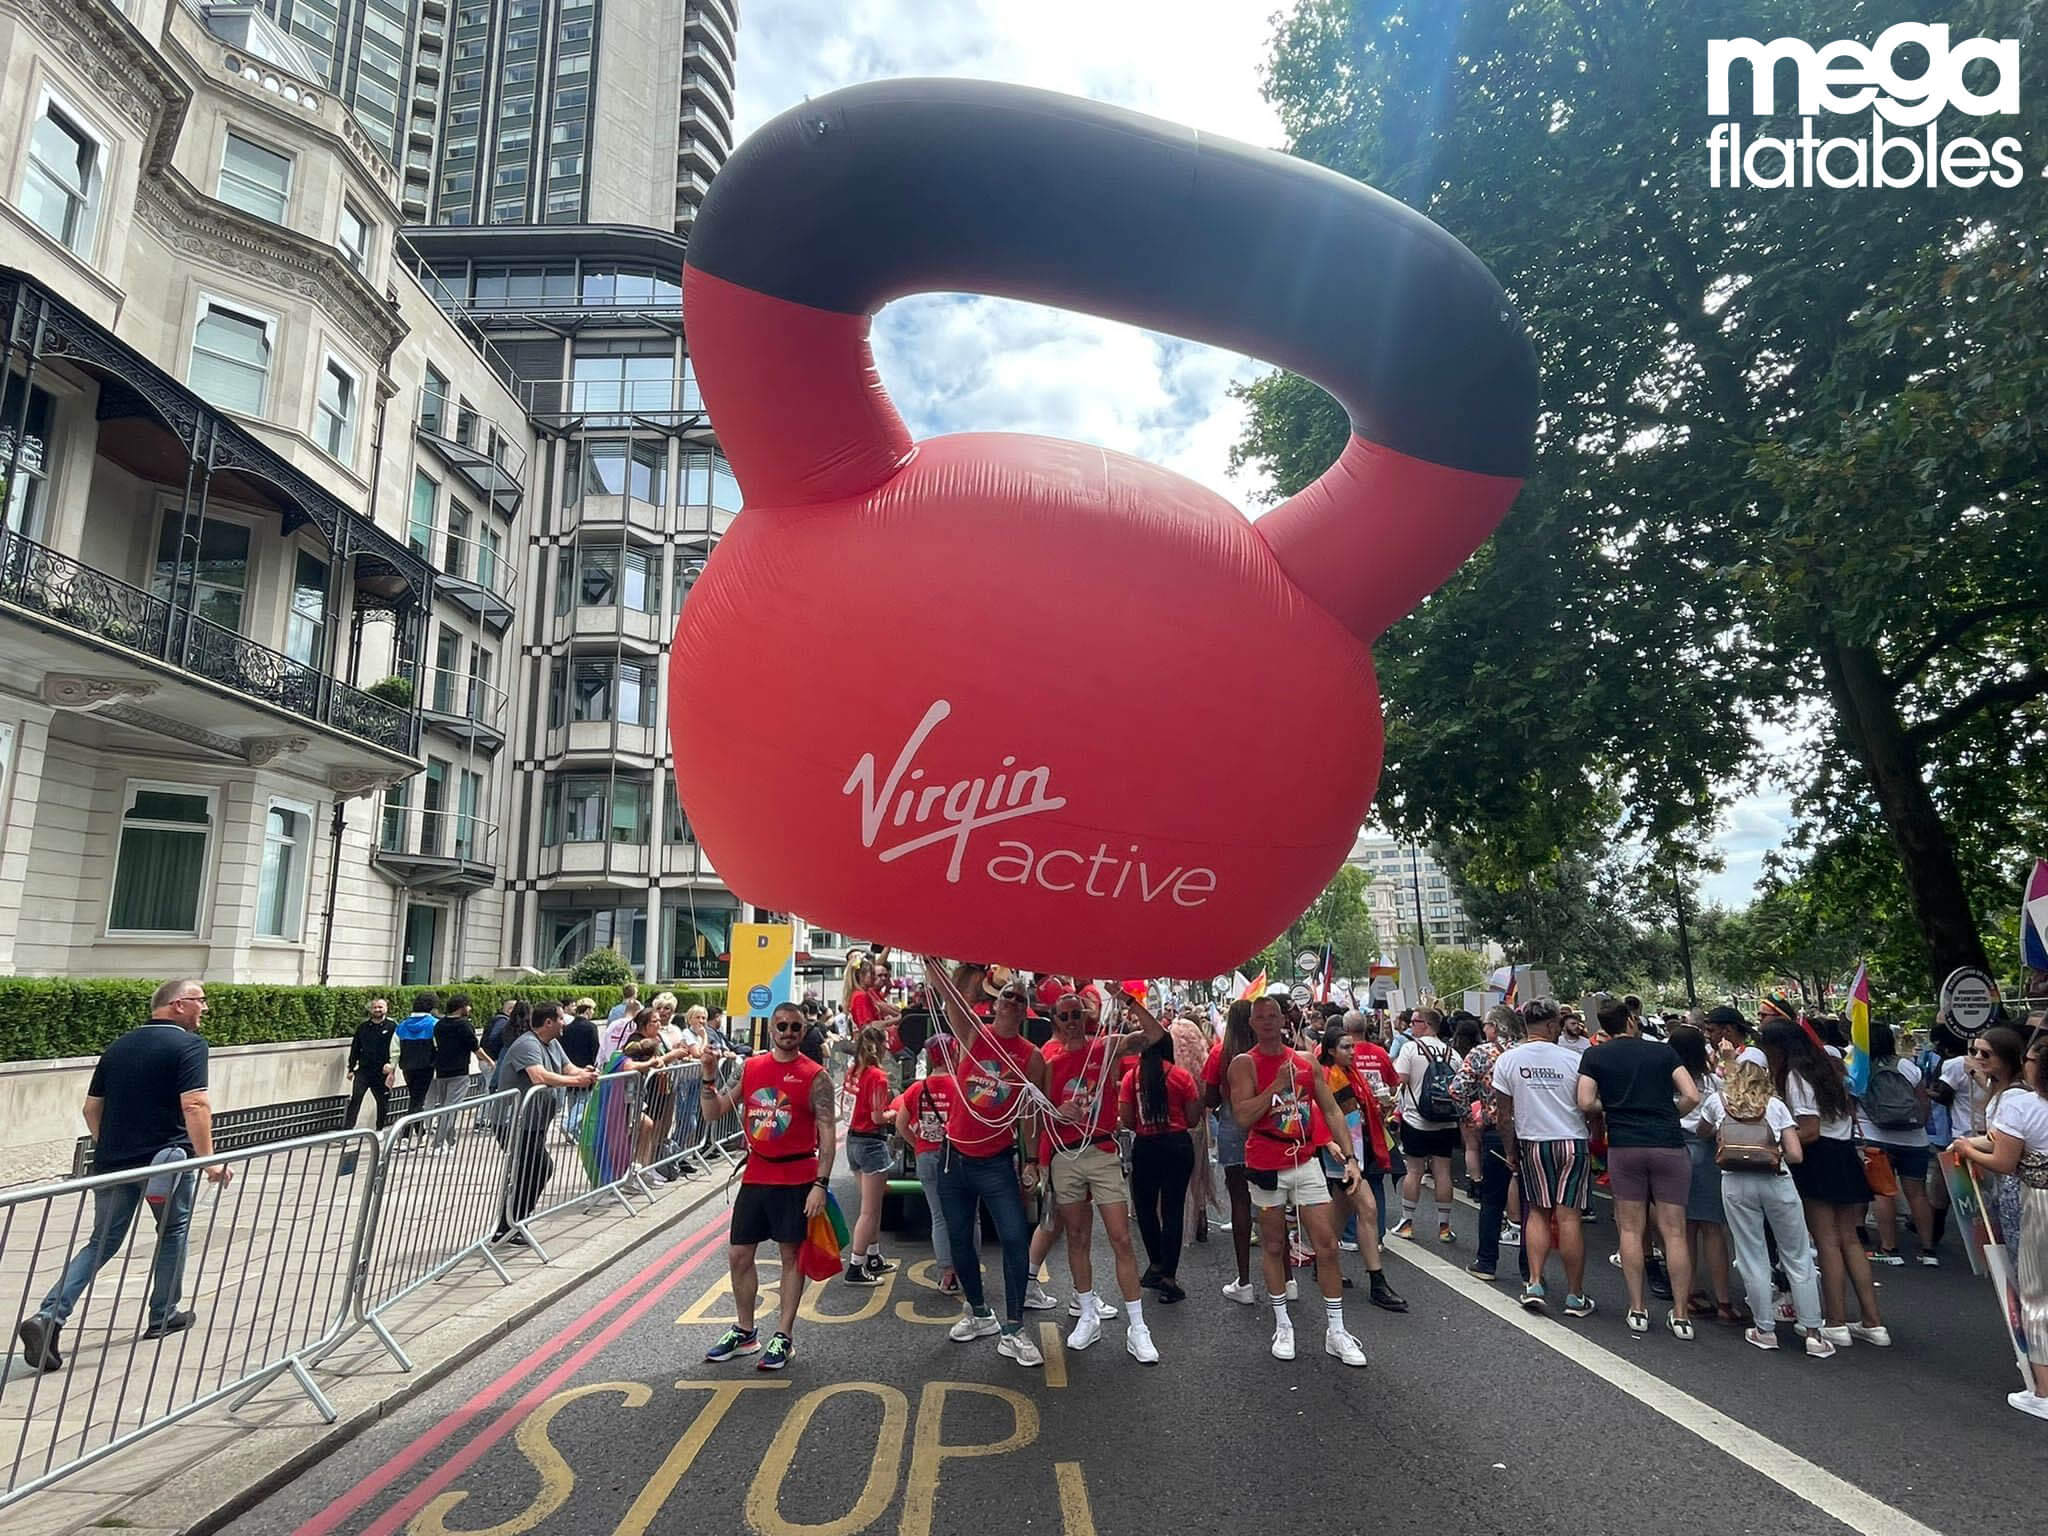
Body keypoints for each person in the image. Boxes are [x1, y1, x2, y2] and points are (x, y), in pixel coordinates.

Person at [17, 979, 231, 1371]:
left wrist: (112, 1147)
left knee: (101, 1241)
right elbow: (196, 1104)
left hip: (114, 1163)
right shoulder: (189, 1046)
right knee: (172, 1232)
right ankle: (163, 1314)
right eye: (201, 1001)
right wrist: (209, 1160)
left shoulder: (119, 1045)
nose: (205, 1009)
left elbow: (90, 1109)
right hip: (165, 1162)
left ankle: (49, 1315)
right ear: (179, 1004)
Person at [1228, 994, 1368, 1365]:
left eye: (1273, 1015)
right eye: (1261, 1017)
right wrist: (1274, 1087)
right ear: (1253, 1024)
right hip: (1265, 1163)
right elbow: (1242, 1117)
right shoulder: (1244, 1064)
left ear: (1284, 1019)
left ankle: (1336, 1330)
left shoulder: (1305, 1062)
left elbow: (1332, 1109)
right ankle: (1282, 1323)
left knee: (1327, 1244)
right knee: (1273, 1246)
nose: (1268, 1021)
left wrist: (1350, 1157)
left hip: (1304, 1160)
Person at [924, 960, 1049, 1366]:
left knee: (1014, 1239)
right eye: (1007, 996)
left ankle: (1013, 1328)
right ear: (995, 1004)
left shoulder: (1031, 1059)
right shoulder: (974, 1035)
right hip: (953, 1159)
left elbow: (1031, 1114)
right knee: (959, 1240)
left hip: (996, 1163)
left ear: (1026, 1010)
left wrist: (1032, 1161)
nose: (1012, 1002)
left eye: (1019, 998)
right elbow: (950, 995)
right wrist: (932, 959)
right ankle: (979, 1313)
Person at [700, 1002, 834, 1372]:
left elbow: (827, 1135)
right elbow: (714, 1112)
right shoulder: (752, 1067)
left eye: (795, 1027)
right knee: (739, 1255)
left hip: (798, 1179)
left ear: (802, 1032)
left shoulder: (816, 1076)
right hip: (756, 1176)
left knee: (791, 1257)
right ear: (771, 1029)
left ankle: (784, 1336)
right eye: (782, 1026)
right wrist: (708, 1075)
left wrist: (820, 1184)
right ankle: (745, 1332)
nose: (789, 1032)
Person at [1043, 987, 1155, 1363]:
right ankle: (1087, 1313)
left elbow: (1155, 1036)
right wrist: (1058, 1110)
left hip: (1104, 1151)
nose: (1073, 1022)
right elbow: (1038, 1112)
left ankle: (1138, 1327)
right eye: (1065, 1016)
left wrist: (1126, 999)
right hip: (1065, 1156)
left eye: (1078, 1015)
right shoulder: (1050, 1061)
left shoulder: (1104, 1047)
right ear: (1055, 1022)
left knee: (1121, 1239)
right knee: (1076, 1237)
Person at [1576, 995, 1699, 1336]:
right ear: (1631, 1021)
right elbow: (1692, 1095)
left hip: (1625, 1145)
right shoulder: (1663, 1051)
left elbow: (1585, 1101)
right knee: (1674, 1232)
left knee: (1630, 1229)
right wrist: (1667, 1115)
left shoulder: (1595, 1055)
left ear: (1605, 1026)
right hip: (1668, 1144)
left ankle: (1637, 1308)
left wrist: (1614, 1108)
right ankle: (1681, 1313)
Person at [1763, 1019, 1886, 1348]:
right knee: (1850, 1241)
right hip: (1844, 1154)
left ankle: (1835, 1321)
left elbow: (1809, 1129)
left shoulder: (1794, 1075)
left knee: (1827, 1241)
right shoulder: (1830, 1068)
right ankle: (1873, 1322)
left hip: (1819, 1159)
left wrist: (1773, 1145)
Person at [1701, 1062, 1832, 1357]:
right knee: (1798, 1255)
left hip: (1735, 1182)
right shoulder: (1775, 1106)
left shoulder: (1717, 1102)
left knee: (1751, 1254)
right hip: (1777, 1180)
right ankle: (1813, 1333)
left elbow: (1702, 1131)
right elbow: (1796, 1154)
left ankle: (1764, 1329)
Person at [1950, 1025, 2048, 1417]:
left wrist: (1966, 1150)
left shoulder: (2021, 1105)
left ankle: (2042, 1390)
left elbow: (2005, 1160)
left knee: (2036, 1294)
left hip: (2038, 1200)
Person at [1491, 999, 1594, 1316]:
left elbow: (1503, 1115)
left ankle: (1534, 1282)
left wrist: (1511, 1151)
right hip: (1572, 1141)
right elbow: (1585, 1104)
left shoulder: (1508, 1060)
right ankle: (1575, 1295)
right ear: (1552, 1026)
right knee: (1569, 1217)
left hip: (1533, 1143)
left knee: (1536, 1212)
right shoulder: (1574, 1059)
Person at [1313, 1019, 1407, 1311]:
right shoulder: (1328, 1076)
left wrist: (1382, 1108)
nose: (1352, 1051)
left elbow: (1360, 1111)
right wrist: (1330, 1143)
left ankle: (1322, 1261)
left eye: (1352, 1046)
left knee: (1341, 1211)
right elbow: (1321, 1111)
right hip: (1343, 1153)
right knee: (1367, 1208)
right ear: (1330, 1051)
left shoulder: (1349, 1073)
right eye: (1345, 1047)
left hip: (1358, 1148)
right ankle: (1377, 1282)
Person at [494, 1004, 598, 1246]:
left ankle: (514, 1222)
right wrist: (575, 1080)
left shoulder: (552, 1043)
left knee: (531, 1170)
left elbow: (567, 1066)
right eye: (561, 1019)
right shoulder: (528, 1044)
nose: (565, 1023)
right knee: (537, 1168)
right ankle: (508, 1225)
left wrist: (584, 1073)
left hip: (534, 1121)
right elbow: (538, 1076)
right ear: (548, 1022)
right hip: (513, 1122)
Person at [1122, 1025, 1202, 1308]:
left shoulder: (1132, 1078)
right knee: (1173, 1211)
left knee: (1145, 1210)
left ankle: (1155, 1264)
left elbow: (1128, 1120)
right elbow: (1193, 1119)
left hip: (1146, 1147)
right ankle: (1169, 1276)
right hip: (1177, 1146)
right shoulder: (1182, 1076)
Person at [1670, 1023, 1736, 1323]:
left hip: (1678, 1148)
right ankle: (1724, 1300)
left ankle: (1691, 1292)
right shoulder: (1713, 1081)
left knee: (1683, 1229)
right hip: (1710, 1152)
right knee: (1714, 1228)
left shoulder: (1668, 1080)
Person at [1858, 1019, 1937, 1266]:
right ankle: (1928, 1250)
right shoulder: (1906, 1065)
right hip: (1915, 1139)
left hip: (1876, 1137)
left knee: (1883, 1193)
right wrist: (1919, 1122)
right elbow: (1923, 1099)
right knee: (1918, 1194)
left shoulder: (1860, 1069)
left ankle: (1889, 1249)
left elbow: (1852, 1102)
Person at [884, 1042, 958, 1293]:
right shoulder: (960, 1086)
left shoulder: (917, 1089)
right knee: (969, 1217)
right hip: (957, 1156)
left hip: (926, 1155)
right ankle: (966, 1271)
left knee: (938, 1218)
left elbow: (901, 1125)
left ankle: (947, 1274)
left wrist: (919, 1144)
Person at [1456, 1008, 1520, 1279]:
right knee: (1534, 1206)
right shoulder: (1528, 1051)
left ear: (1495, 1026)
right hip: (1533, 1132)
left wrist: (1468, 1117)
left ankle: (1487, 1262)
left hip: (1495, 1130)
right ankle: (1532, 1272)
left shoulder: (1482, 1053)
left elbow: (1457, 1088)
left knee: (1492, 1201)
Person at [1391, 1007, 1463, 1243]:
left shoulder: (1410, 1048)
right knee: (1443, 1172)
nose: (1410, 1025)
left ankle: (1407, 1222)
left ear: (1427, 1024)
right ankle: (1444, 1227)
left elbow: (1399, 1080)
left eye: (1414, 1021)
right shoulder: (1452, 1052)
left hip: (1416, 1119)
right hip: (1446, 1121)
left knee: (1414, 1170)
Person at [1205, 998, 1260, 1302]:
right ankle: (1287, 1280)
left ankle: (1245, 1280)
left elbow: (1209, 1094)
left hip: (1231, 1122)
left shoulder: (1220, 1052)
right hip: (1266, 1125)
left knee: (1239, 1199)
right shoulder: (1264, 1053)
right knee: (1272, 1200)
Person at [841, 1025, 899, 1285]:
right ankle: (856, 1265)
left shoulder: (853, 1071)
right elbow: (878, 1116)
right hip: (871, 1144)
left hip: (853, 1140)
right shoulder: (878, 1077)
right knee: (869, 1211)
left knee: (872, 1208)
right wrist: (895, 1113)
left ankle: (874, 1257)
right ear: (881, 1046)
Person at [424, 994, 490, 1147]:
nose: (470, 1009)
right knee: (451, 1107)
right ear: (461, 1008)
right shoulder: (464, 1025)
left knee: (445, 1106)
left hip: (441, 1070)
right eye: (468, 1006)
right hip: (459, 1071)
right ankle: (438, 1144)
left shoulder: (440, 1025)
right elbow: (475, 1047)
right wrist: (489, 1060)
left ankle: (449, 1140)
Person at [347, 997, 396, 1130]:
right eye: (375, 1007)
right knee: (355, 1100)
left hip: (382, 1072)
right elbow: (355, 1048)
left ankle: (379, 1129)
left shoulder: (392, 1027)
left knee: (382, 1102)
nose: (378, 1010)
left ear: (386, 1009)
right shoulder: (362, 1027)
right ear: (371, 1009)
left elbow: (397, 1048)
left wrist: (392, 1067)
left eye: (380, 1007)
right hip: (363, 1070)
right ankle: (347, 1131)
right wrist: (351, 1068)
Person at [393, 993, 439, 1127]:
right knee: (417, 1101)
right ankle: (406, 1134)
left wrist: (392, 1068)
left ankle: (420, 1132)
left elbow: (394, 1049)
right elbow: (438, 1046)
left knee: (415, 1098)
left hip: (407, 1066)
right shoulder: (434, 1024)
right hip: (426, 1067)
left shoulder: (402, 1025)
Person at [561, 999, 602, 1136]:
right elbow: (595, 1049)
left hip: (570, 1068)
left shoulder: (567, 1027)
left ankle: (575, 1131)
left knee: (572, 1100)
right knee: (583, 1101)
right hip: (586, 1068)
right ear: (588, 1010)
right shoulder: (591, 1027)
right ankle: (570, 1125)